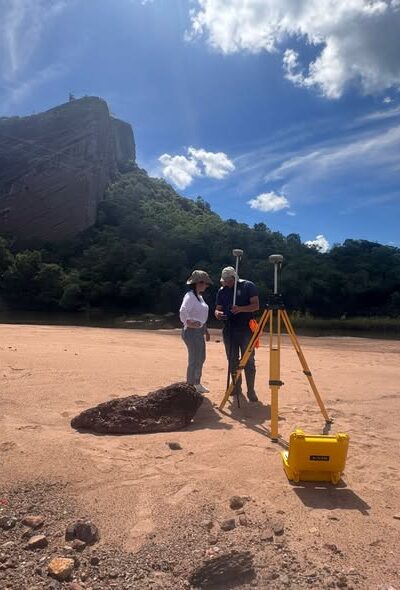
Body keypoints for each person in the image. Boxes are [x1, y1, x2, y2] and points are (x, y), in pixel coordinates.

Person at [215, 266, 259, 402]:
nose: (225, 283)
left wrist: (240, 309)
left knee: (248, 360)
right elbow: (217, 309)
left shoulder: (248, 286)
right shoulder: (222, 291)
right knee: (232, 359)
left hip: (246, 329)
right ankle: (236, 386)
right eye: (224, 281)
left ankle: (251, 390)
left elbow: (256, 305)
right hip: (229, 329)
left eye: (228, 281)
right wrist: (218, 314)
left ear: (234, 278)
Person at [179, 270, 213, 394]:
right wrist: (188, 322)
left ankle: (196, 383)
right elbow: (183, 310)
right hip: (191, 332)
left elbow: (201, 316)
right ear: (197, 283)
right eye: (204, 283)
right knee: (194, 358)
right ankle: (191, 385)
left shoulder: (199, 297)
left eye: (206, 283)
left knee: (201, 357)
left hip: (199, 332)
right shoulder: (190, 296)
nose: (206, 285)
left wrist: (206, 330)